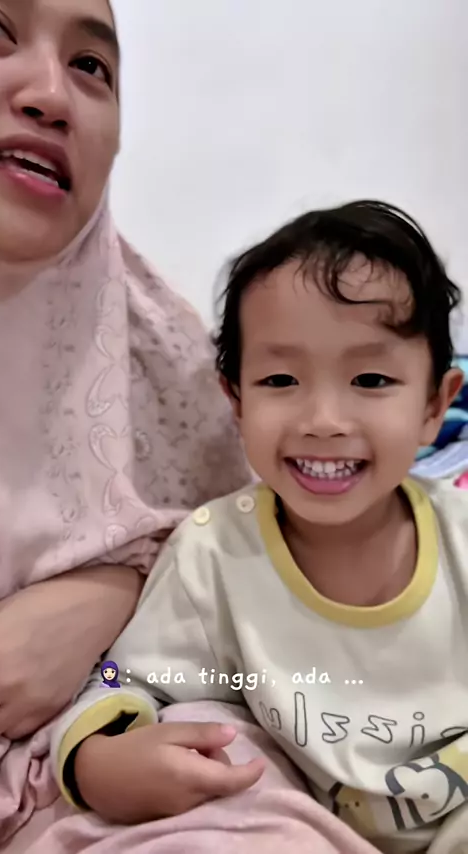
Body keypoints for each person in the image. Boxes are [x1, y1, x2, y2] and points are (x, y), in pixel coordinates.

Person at [52, 200, 468, 854]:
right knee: (205, 727)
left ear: (433, 407)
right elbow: (118, 681)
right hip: (292, 826)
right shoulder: (212, 553)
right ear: (236, 401)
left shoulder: (460, 535)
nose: (323, 419)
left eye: (370, 379)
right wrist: (96, 760)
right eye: (280, 379)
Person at [0, 0, 253, 841]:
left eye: (91, 67)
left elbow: (260, 552)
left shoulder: (162, 350)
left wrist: (118, 591)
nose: (50, 95)